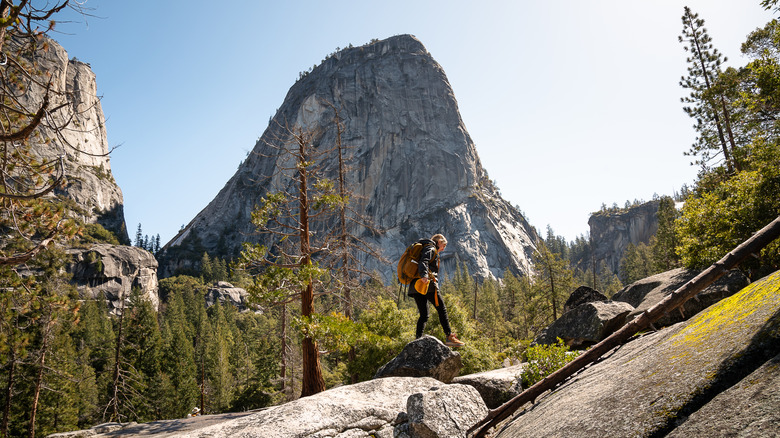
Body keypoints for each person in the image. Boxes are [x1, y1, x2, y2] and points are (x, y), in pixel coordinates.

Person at [408, 234, 465, 348]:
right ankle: (449, 337)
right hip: (427, 285)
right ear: (439, 242)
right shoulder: (431, 248)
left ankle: (417, 340)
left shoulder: (426, 248)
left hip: (415, 286)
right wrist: (424, 275)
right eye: (444, 245)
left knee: (424, 315)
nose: (444, 248)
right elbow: (423, 261)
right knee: (441, 309)